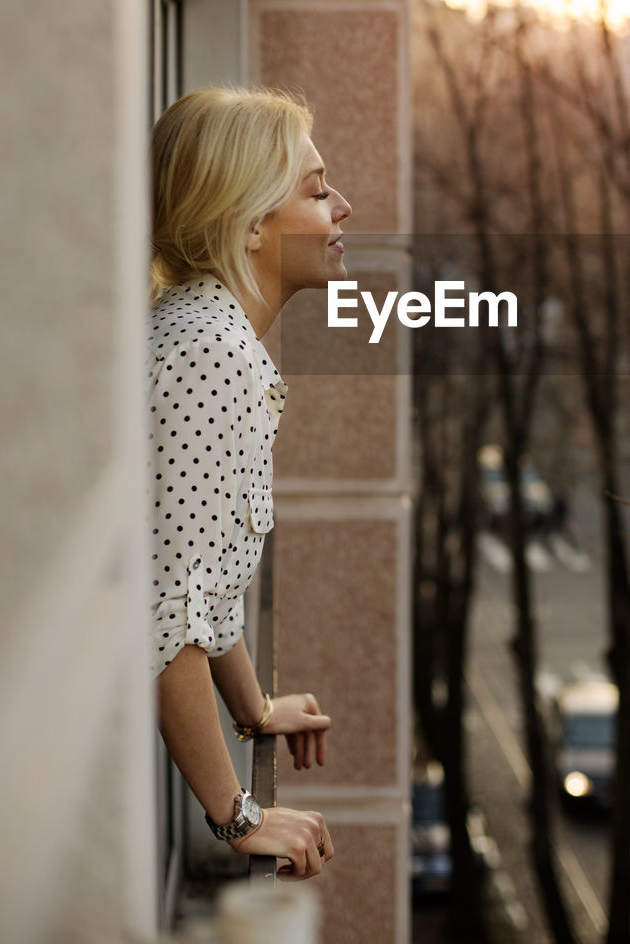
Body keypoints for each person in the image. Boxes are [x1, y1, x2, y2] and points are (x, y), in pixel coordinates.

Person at [148, 86, 352, 878]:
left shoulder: (211, 332)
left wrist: (254, 710)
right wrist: (239, 815)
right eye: (315, 189)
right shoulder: (211, 356)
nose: (343, 206)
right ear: (250, 223)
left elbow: (201, 579)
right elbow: (165, 613)